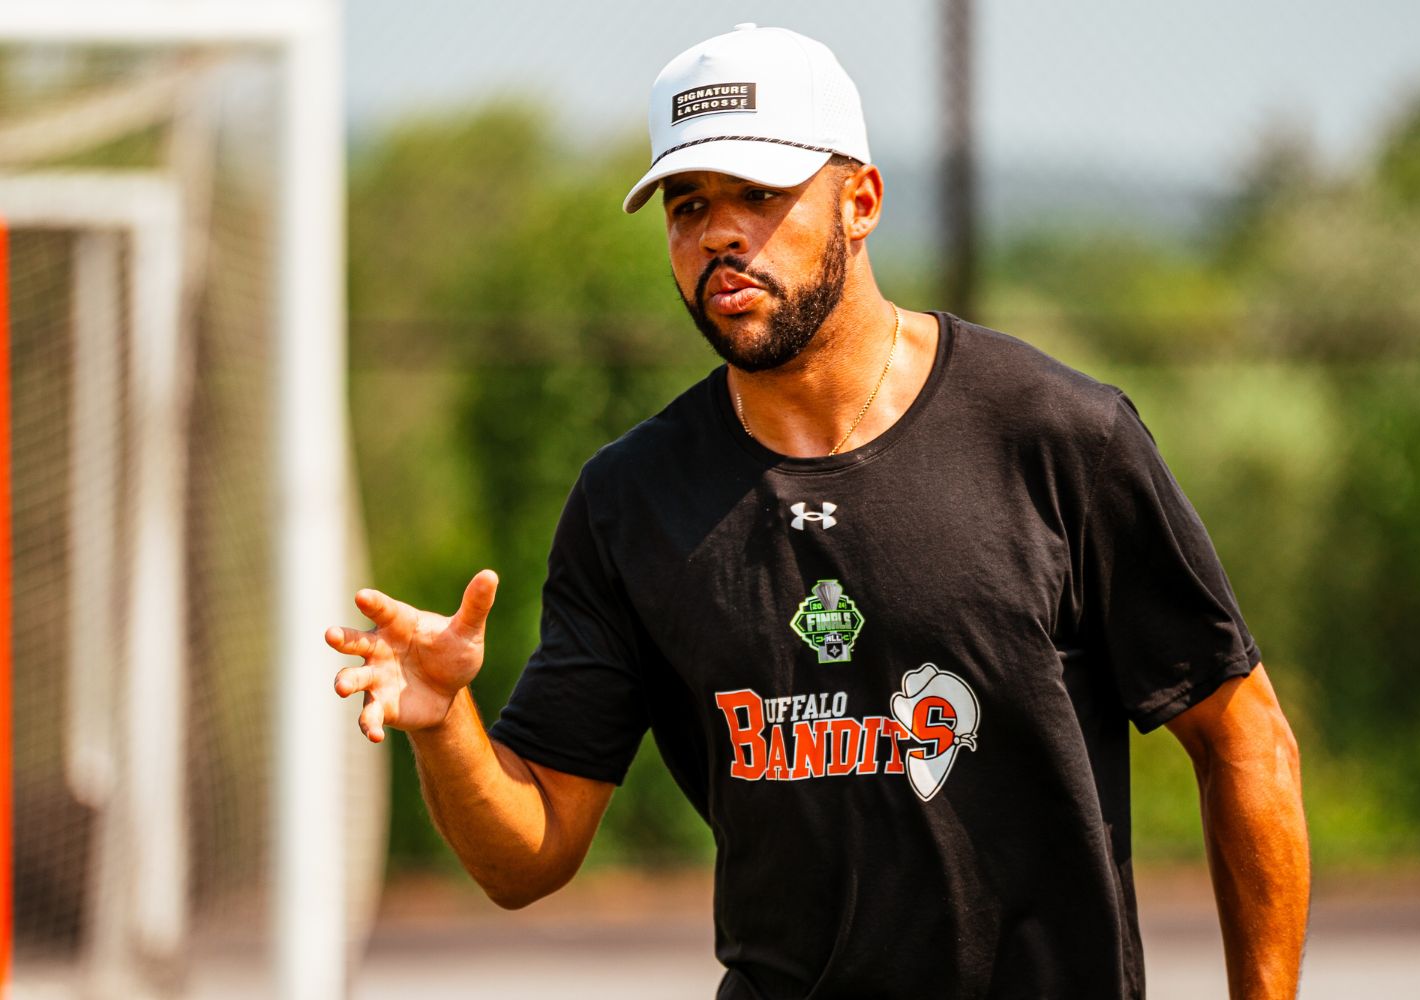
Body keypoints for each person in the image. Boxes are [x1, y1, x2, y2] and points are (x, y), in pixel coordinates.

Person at [326, 23, 1310, 1000]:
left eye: (761, 195)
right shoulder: (631, 502)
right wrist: (444, 720)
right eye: (688, 204)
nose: (719, 233)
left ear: (862, 201)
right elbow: (526, 857)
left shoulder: (1057, 437)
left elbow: (1245, 739)